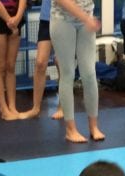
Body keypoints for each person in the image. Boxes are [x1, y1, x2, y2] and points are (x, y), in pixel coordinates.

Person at [49, 0, 103, 142]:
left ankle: (94, 126)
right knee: (67, 73)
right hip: (63, 20)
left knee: (89, 74)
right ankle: (70, 130)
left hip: (86, 17)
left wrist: (87, 18)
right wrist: (86, 19)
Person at [21, 0, 62, 119]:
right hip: (46, 17)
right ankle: (35, 108)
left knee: (61, 63)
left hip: (65, 19)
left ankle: (63, 106)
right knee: (40, 63)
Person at [0, 0, 28, 119]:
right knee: (0, 66)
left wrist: (17, 17)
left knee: (11, 65)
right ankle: (3, 108)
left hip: (16, 17)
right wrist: (9, 20)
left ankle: (12, 106)